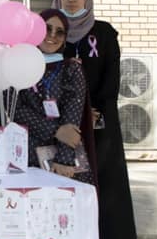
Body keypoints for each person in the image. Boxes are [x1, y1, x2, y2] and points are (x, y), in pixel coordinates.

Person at [56, 0, 140, 239]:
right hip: (64, 125)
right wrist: (68, 116)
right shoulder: (52, 33)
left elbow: (112, 76)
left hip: (98, 122)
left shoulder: (103, 32)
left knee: (107, 188)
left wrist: (97, 112)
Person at [11, 9, 97, 185]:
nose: (52, 35)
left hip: (62, 158)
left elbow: (72, 117)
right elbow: (15, 110)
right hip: (25, 155)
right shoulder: (18, 65)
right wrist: (56, 131)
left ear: (65, 38)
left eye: (60, 32)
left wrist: (64, 159)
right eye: (46, 29)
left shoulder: (71, 69)